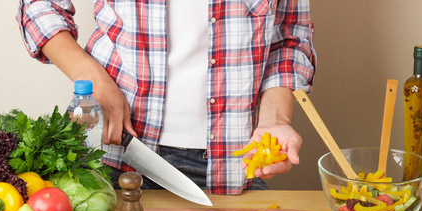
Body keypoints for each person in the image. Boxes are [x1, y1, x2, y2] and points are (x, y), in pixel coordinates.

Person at [17, 0, 316, 194]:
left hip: (235, 163)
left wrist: (275, 119)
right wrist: (91, 78)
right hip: (115, 151)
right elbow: (37, 5)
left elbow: (290, 35)